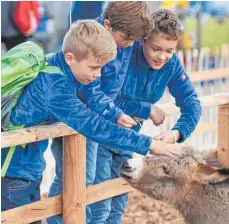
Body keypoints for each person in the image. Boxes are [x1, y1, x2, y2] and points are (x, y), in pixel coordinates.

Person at [1, 19, 182, 223]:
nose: (97, 75)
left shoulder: (60, 66)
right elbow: (93, 126)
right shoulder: (56, 89)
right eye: (95, 68)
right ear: (71, 58)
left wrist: (115, 114)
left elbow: (91, 94)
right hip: (12, 170)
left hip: (28, 165)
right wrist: (148, 143)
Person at [47, 2, 181, 224]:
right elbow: (91, 90)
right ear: (108, 26)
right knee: (76, 180)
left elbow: (108, 89)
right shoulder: (91, 45)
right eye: (128, 40)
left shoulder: (123, 43)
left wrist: (115, 112)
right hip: (83, 118)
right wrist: (115, 112)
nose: (130, 45)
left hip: (98, 116)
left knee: (89, 182)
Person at [89, 9, 202, 223]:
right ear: (142, 40)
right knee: (99, 205)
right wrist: (146, 109)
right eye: (156, 48)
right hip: (103, 134)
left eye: (169, 50)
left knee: (118, 204)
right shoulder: (124, 53)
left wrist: (176, 134)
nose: (162, 56)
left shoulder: (172, 64)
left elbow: (192, 103)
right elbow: (106, 97)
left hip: (129, 140)